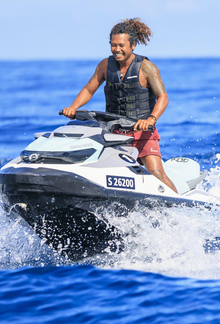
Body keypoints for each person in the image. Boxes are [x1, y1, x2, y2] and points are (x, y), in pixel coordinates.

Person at [61, 18, 178, 193]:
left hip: (142, 132)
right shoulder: (104, 66)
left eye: (121, 45)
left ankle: (181, 206)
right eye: (113, 45)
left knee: (156, 173)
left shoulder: (147, 68)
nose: (117, 50)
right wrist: (73, 107)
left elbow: (163, 97)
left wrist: (151, 119)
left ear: (133, 45)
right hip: (113, 133)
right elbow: (88, 89)